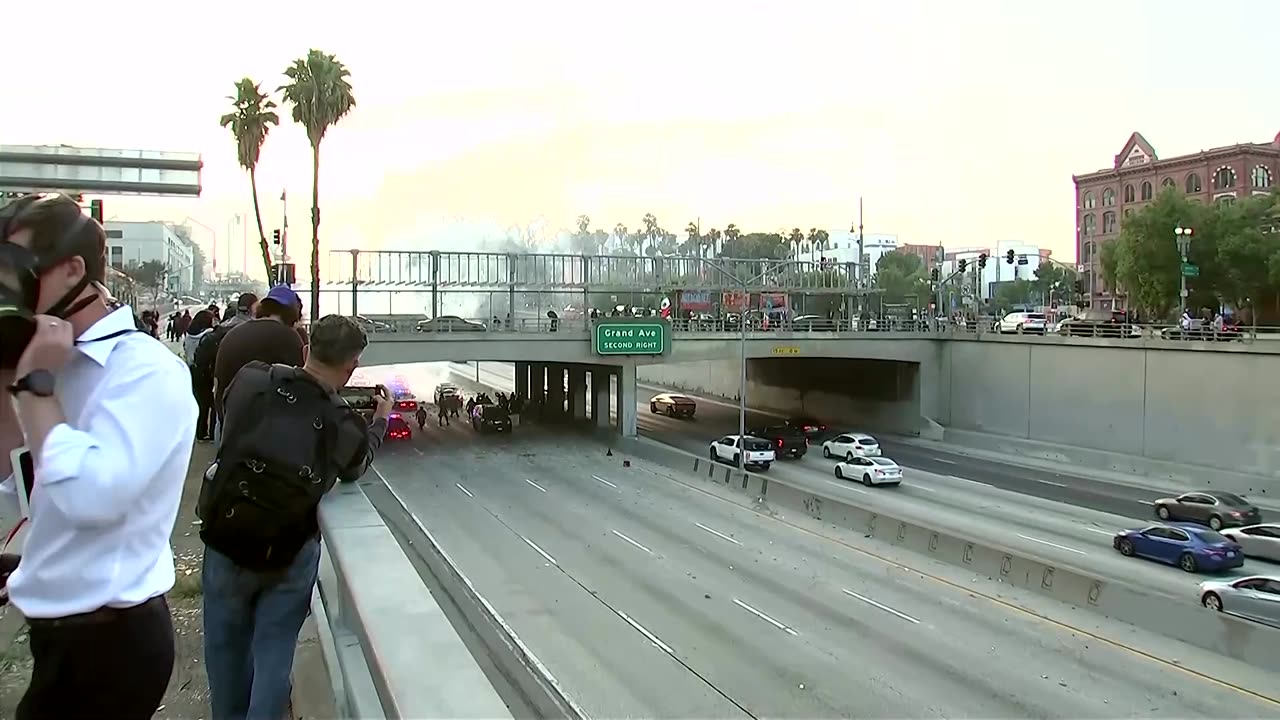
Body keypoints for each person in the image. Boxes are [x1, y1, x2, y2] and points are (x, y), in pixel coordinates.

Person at [0, 193, 197, 719]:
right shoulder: (46, 362)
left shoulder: (145, 372)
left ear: (73, 269)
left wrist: (35, 391)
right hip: (55, 633)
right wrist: (10, 375)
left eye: (16, 270)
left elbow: (90, 497)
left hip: (111, 643)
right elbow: (19, 482)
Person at [201, 314, 389, 719]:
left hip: (227, 536)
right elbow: (355, 466)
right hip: (286, 552)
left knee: (223, 650)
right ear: (352, 365)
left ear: (306, 349)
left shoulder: (251, 379)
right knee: (273, 654)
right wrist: (379, 421)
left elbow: (227, 420)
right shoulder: (341, 422)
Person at [210, 286, 304, 447]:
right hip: (267, 439)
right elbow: (302, 387)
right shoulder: (289, 338)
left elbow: (218, 384)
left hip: (229, 428)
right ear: (293, 312)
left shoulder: (233, 334)